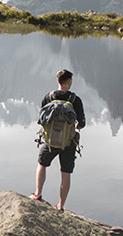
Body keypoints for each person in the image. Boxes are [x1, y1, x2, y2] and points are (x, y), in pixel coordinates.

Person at [30, 68, 85, 211]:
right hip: (68, 142)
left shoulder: (48, 97)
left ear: (57, 81)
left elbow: (41, 118)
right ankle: (60, 206)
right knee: (65, 173)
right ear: (69, 82)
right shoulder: (75, 100)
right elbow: (82, 123)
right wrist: (76, 125)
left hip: (50, 142)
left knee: (42, 164)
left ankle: (37, 194)